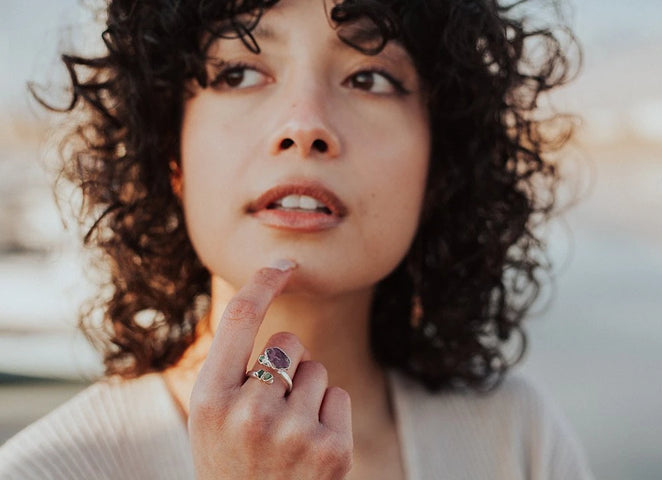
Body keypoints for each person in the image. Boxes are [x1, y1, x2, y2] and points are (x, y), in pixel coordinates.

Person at [0, 0, 593, 478]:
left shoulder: (518, 440)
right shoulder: (48, 470)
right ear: (170, 158)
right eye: (238, 72)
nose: (304, 124)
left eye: (370, 76)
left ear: (439, 169)